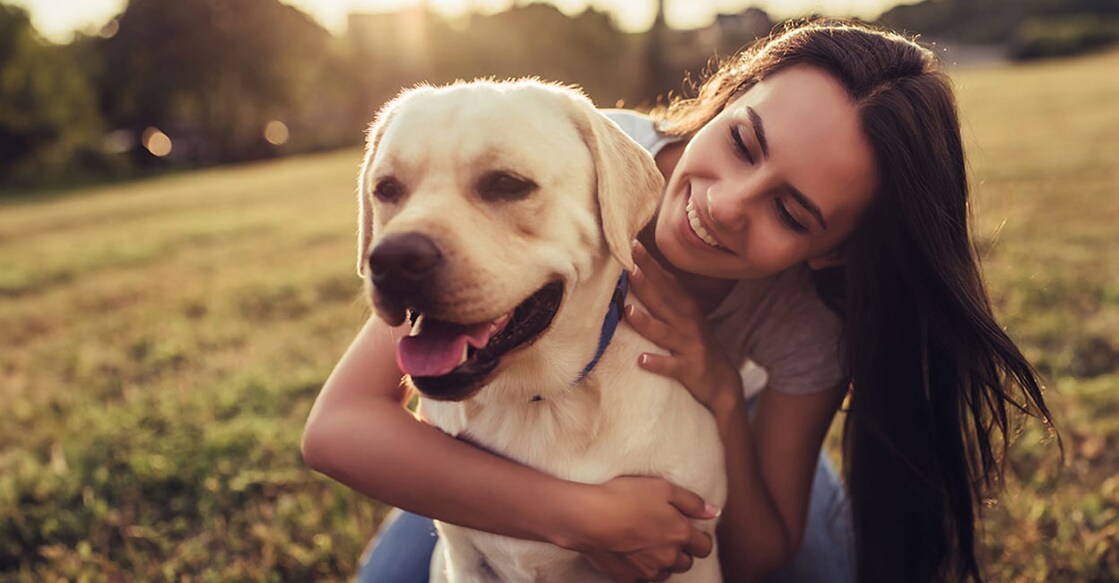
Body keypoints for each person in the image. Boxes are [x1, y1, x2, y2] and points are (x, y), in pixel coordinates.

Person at [302, 18, 1056, 583]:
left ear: (829, 248)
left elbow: (758, 550)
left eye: (790, 213)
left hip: (740, 431)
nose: (724, 204)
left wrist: (725, 396)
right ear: (726, 97)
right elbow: (339, 426)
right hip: (498, 433)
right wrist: (581, 517)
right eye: (742, 141)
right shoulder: (581, 146)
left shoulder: (810, 318)